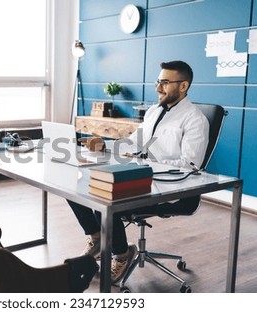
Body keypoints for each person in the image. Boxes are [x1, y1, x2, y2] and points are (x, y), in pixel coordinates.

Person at [68, 60, 209, 284]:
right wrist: (106, 145)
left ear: (183, 86)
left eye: (164, 82)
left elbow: (190, 165)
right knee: (75, 185)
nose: (158, 88)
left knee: (105, 198)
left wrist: (145, 159)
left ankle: (122, 253)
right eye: (158, 81)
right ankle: (97, 237)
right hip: (143, 178)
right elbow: (135, 142)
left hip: (170, 189)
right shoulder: (154, 111)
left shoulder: (195, 120)